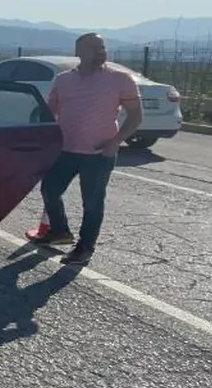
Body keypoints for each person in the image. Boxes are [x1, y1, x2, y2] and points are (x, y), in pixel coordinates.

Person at [29, 32, 142, 266]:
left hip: (99, 154)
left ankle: (85, 247)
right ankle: (60, 231)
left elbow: (135, 117)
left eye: (103, 47)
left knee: (92, 203)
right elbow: (50, 113)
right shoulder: (63, 80)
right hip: (65, 150)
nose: (101, 52)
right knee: (50, 190)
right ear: (79, 51)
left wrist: (115, 142)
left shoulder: (120, 79)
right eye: (94, 47)